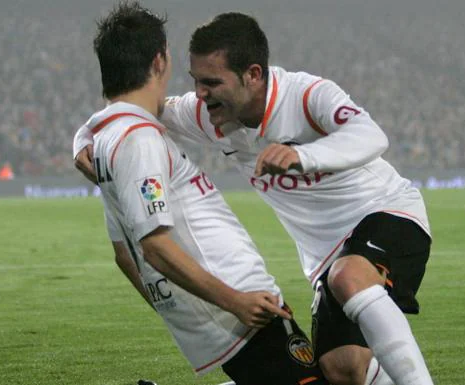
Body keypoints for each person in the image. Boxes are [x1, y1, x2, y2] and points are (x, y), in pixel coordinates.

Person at [76, 11, 434, 385]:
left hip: (385, 212)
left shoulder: (306, 94)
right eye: (196, 81)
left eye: (211, 82)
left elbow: (371, 135)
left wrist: (302, 156)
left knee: (349, 277)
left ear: (253, 74)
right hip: (325, 259)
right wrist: (83, 138)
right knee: (340, 370)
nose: (200, 93)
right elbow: (135, 112)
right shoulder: (207, 114)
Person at [81, 4, 327, 385]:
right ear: (160, 59)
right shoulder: (137, 140)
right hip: (240, 310)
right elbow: (153, 247)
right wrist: (234, 302)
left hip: (225, 310)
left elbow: (122, 252)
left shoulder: (110, 140)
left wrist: (177, 309)